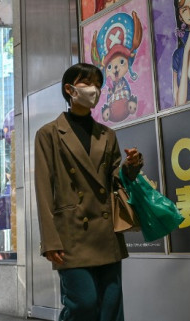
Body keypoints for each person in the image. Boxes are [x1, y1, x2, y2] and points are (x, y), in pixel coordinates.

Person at [34, 63, 143, 321]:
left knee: (111, 306)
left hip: (105, 233)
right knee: (82, 304)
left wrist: (131, 166)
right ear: (69, 89)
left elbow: (115, 178)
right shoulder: (48, 134)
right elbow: (42, 188)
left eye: (98, 83)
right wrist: (49, 240)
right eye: (87, 82)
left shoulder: (107, 134)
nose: (94, 89)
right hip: (71, 233)